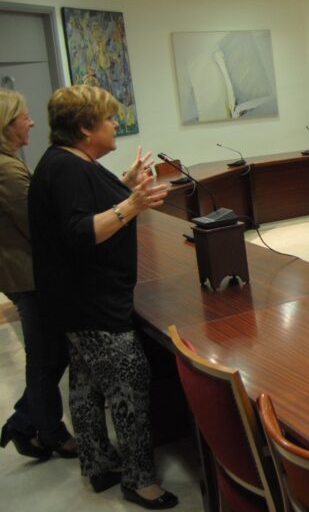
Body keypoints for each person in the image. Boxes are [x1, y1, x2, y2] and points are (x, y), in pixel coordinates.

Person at [28, 86, 177, 507]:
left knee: (87, 385)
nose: (116, 125)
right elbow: (78, 233)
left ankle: (98, 464)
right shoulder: (70, 169)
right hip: (93, 304)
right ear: (84, 129)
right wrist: (131, 204)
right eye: (109, 119)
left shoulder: (64, 163)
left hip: (72, 302)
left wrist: (123, 186)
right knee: (130, 386)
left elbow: (82, 206)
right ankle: (139, 480)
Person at [0, 90, 77, 461]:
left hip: (26, 274)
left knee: (51, 352)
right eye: (24, 116)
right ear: (6, 124)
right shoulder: (6, 169)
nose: (31, 122)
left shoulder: (9, 163)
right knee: (46, 357)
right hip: (28, 278)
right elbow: (37, 225)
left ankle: (25, 423)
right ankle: (50, 433)